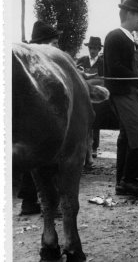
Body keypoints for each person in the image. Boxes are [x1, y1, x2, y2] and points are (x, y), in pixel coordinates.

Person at [104, 0, 138, 195]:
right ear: (129, 14)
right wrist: (136, 77)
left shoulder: (129, 39)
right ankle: (131, 179)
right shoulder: (115, 36)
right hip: (122, 93)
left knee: (126, 137)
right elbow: (114, 67)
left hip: (131, 92)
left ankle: (121, 182)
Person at [18, 20, 62, 215]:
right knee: (49, 158)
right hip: (41, 120)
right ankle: (52, 205)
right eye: (54, 43)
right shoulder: (41, 64)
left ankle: (28, 202)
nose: (57, 47)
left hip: (28, 121)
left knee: (31, 159)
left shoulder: (26, 61)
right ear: (44, 43)